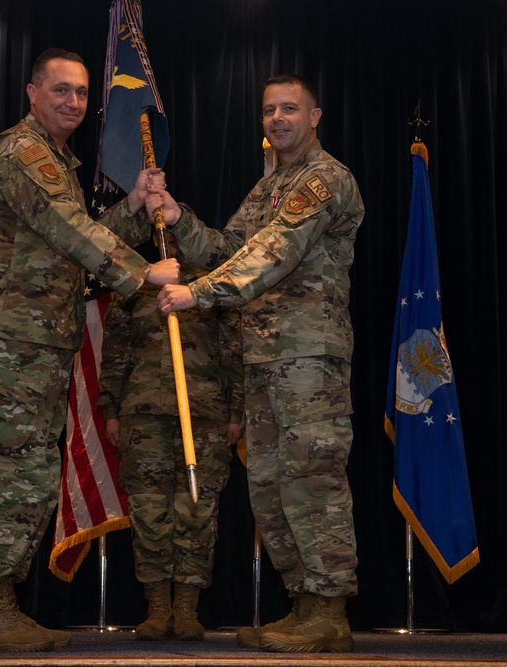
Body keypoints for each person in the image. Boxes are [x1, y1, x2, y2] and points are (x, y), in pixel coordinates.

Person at [0, 48, 179, 653]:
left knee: (27, 471)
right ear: (32, 93)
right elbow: (68, 230)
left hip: (37, 341)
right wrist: (146, 273)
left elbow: (75, 237)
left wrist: (132, 209)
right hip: (11, 340)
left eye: (81, 93)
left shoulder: (57, 160)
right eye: (60, 90)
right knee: (12, 472)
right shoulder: (21, 152)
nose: (73, 102)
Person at [150, 74, 364, 653]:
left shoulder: (324, 179)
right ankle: (303, 604)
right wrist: (178, 217)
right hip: (265, 359)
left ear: (314, 116)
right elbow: (228, 249)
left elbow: (275, 253)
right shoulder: (269, 186)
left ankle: (329, 609)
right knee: (271, 487)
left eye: (289, 108)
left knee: (312, 481)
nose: (277, 119)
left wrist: (199, 294)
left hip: (307, 356)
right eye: (269, 110)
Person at [98, 232, 244, 641]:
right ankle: (158, 608)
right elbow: (115, 354)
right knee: (148, 511)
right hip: (142, 415)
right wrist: (111, 409)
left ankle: (187, 609)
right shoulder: (136, 286)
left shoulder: (211, 285)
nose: (171, 241)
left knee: (197, 508)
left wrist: (236, 411)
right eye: (163, 233)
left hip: (204, 414)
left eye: (177, 233)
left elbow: (233, 351)